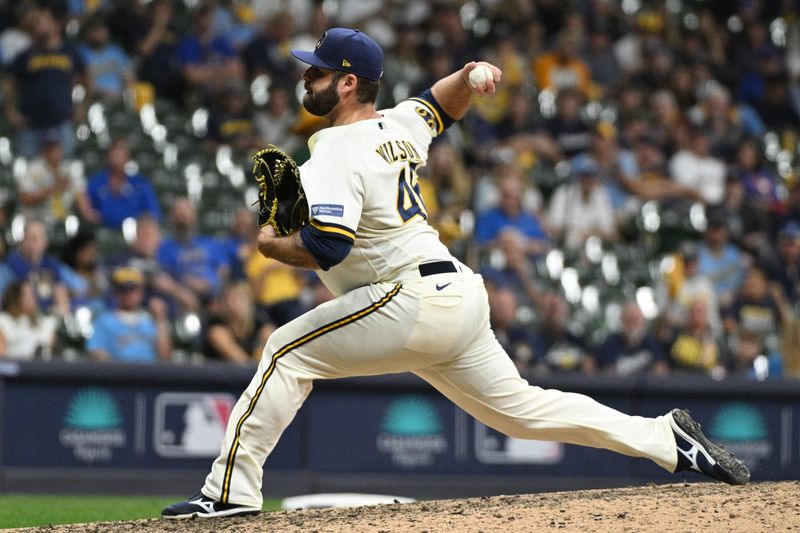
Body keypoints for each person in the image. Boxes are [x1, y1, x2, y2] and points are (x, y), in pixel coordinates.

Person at [163, 27, 749, 520]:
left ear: (347, 83)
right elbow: (440, 103)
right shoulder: (397, 125)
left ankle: (229, 492)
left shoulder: (334, 148)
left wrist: (271, 242)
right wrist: (471, 75)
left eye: (315, 73)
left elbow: (326, 248)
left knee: (286, 351)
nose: (304, 79)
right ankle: (663, 438)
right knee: (521, 410)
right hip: (457, 295)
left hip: (410, 299)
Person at [87, 265, 171, 363]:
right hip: (120, 374)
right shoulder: (104, 321)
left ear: (141, 291)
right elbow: (97, 352)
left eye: (133, 289)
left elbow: (165, 356)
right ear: (115, 292)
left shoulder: (150, 320)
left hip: (149, 373)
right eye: (123, 290)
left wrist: (160, 319)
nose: (128, 294)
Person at [85, 139, 161, 228]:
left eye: (121, 150)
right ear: (107, 156)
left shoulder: (141, 184)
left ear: (128, 157)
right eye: (114, 150)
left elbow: (153, 215)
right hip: (102, 233)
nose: (117, 154)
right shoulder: (95, 183)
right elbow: (88, 214)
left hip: (135, 234)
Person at [0, 280, 58, 360]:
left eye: (32, 294)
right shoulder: (4, 321)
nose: (32, 299)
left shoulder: (43, 322)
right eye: (27, 295)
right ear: (15, 298)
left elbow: (54, 348)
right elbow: (2, 358)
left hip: (45, 368)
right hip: (20, 369)